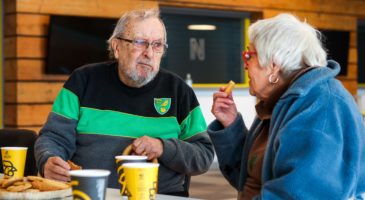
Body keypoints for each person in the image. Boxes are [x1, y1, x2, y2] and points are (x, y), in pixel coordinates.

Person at [34, 8, 214, 196]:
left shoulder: (179, 91)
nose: (149, 53)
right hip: (90, 194)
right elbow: (53, 137)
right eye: (140, 43)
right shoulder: (82, 81)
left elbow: (203, 156)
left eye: (157, 45)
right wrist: (48, 159)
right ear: (117, 47)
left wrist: (163, 147)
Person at [207, 13, 365, 199]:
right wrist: (231, 124)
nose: (245, 65)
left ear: (274, 64)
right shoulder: (279, 100)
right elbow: (251, 177)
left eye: (249, 55)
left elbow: (301, 195)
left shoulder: (321, 106)